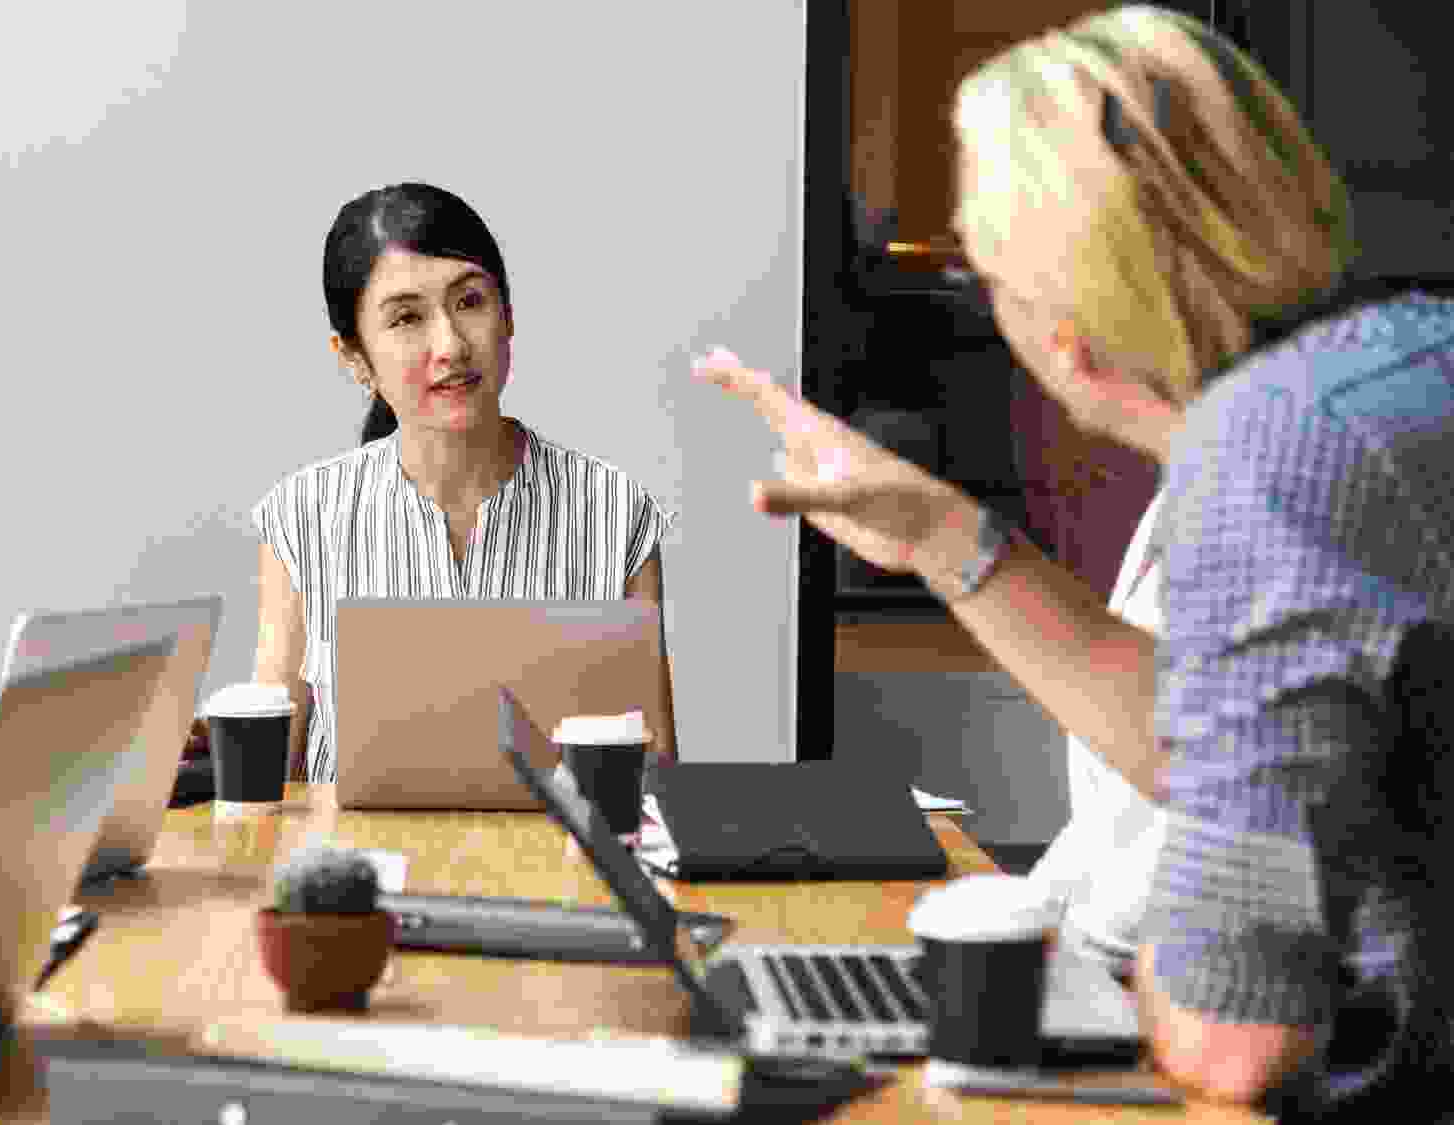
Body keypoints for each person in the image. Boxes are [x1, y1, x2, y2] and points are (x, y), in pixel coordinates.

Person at [693, 5, 1454, 1117]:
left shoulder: (1268, 456)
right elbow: (1222, 741)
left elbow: (1232, 1039)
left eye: (988, 271)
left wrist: (1085, 983)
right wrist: (940, 535)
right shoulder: (1398, 360)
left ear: (1067, 336)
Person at [253, 183, 678, 783]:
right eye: (407, 318)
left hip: (557, 847)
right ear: (354, 357)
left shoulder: (614, 509)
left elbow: (653, 776)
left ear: (508, 317)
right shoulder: (303, 515)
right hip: (351, 846)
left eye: (470, 301)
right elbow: (266, 787)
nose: (450, 345)